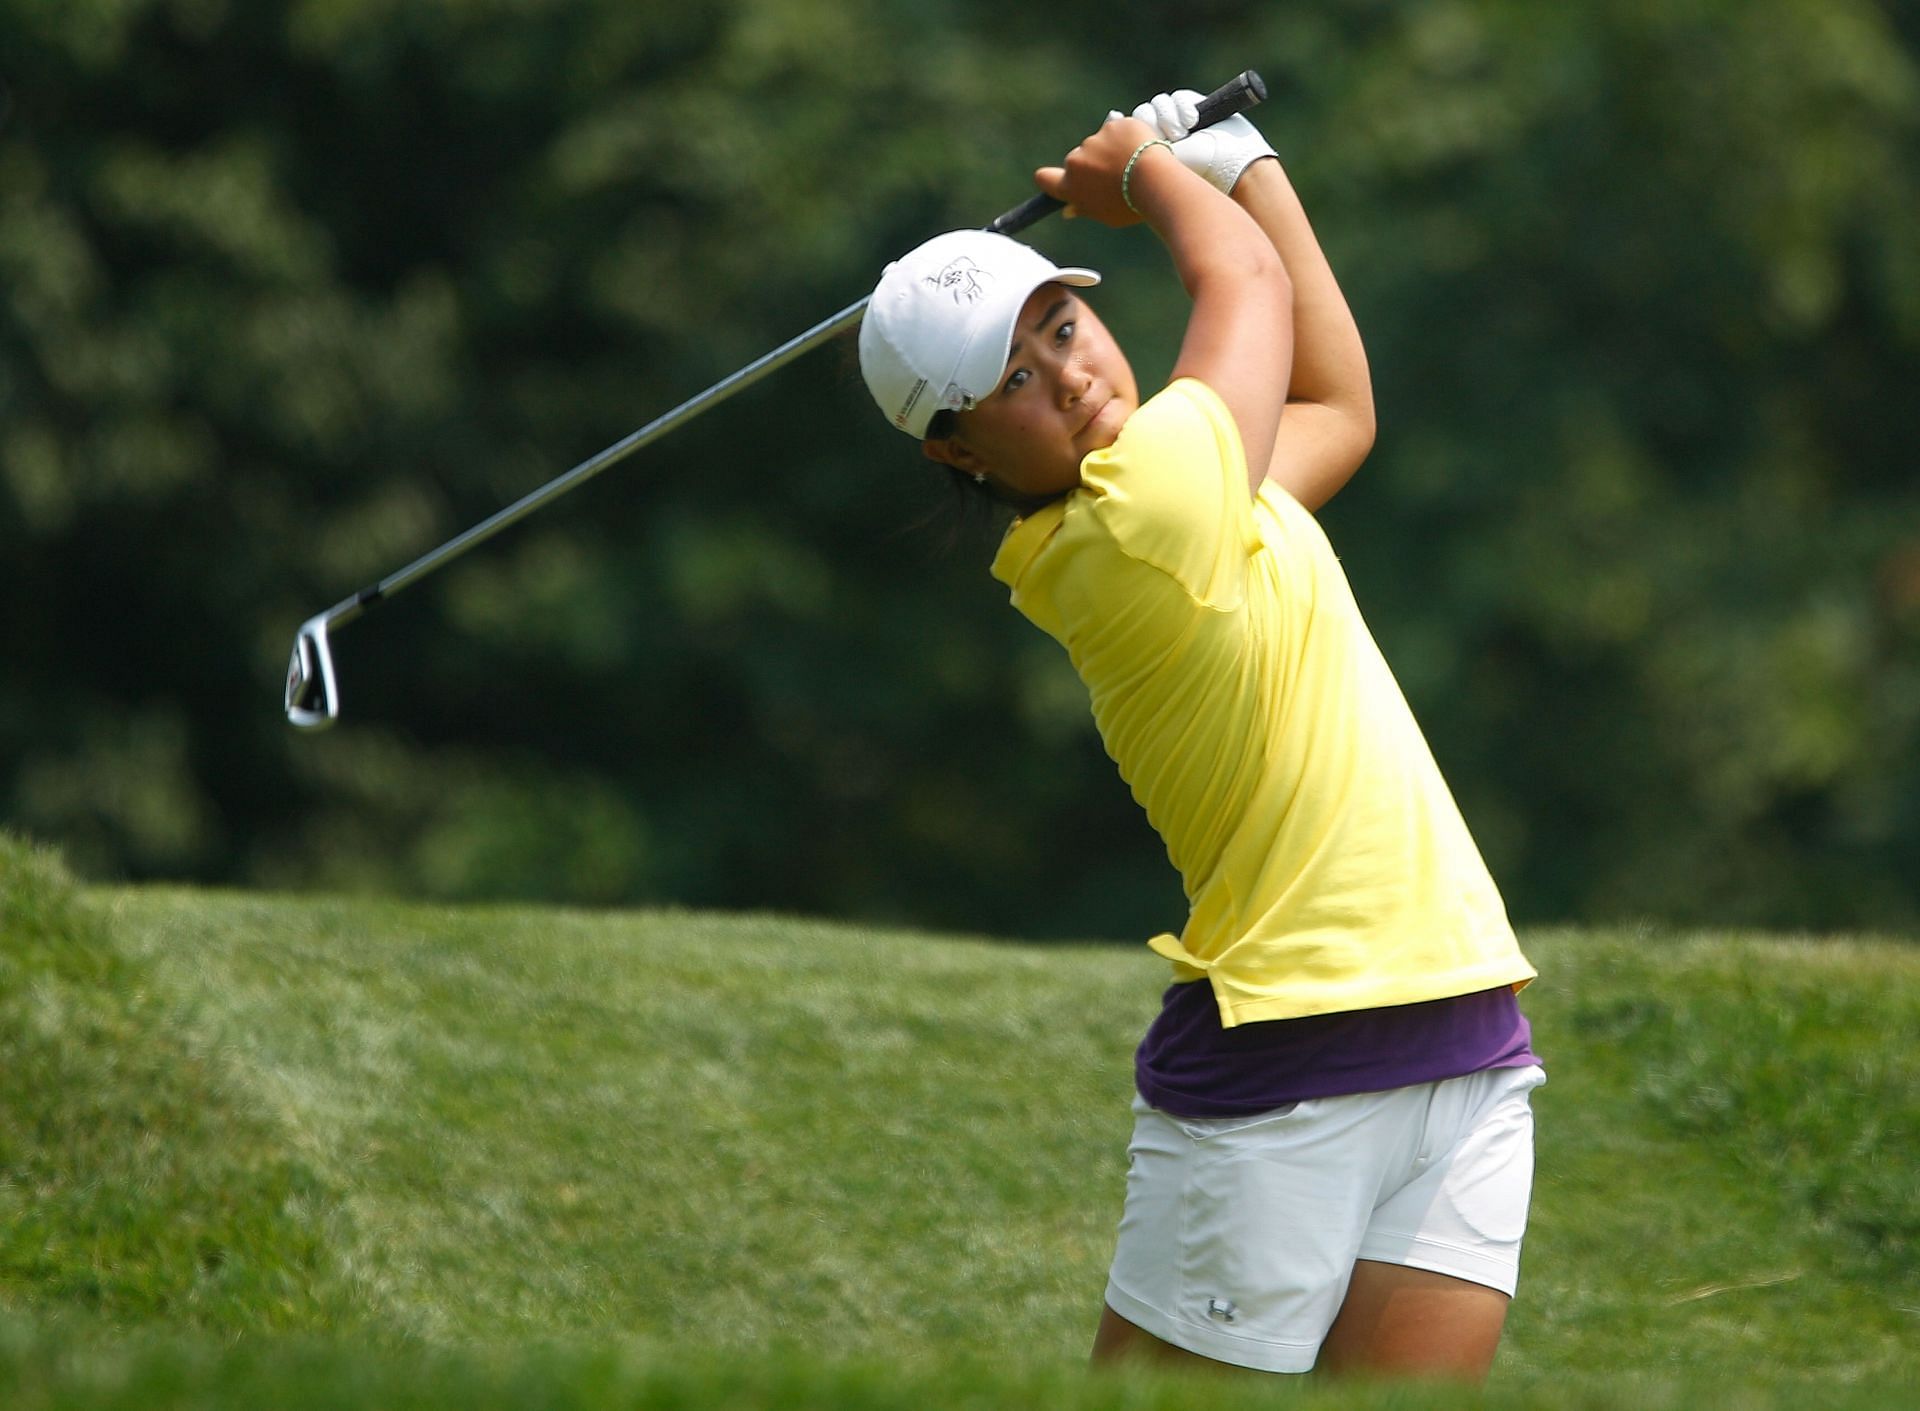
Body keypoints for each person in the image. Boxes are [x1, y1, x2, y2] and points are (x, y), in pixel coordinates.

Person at [857, 90, 1543, 1382]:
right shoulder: (1134, 524)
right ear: (957, 454)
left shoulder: (1196, 494)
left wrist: (1249, 167)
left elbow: (1338, 403)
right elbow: (1239, 284)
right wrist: (1159, 176)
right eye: (1012, 378)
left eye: (1063, 324)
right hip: (1289, 1059)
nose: (1068, 373)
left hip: (1460, 1031)